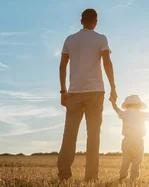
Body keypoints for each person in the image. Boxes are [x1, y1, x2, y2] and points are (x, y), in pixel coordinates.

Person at [57, 8, 117, 181]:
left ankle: (64, 174)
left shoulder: (70, 40)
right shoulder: (101, 39)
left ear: (81, 21)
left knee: (69, 135)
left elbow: (62, 66)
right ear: (96, 21)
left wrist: (63, 90)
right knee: (93, 135)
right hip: (95, 92)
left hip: (74, 92)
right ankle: (90, 177)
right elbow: (107, 62)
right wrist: (113, 87)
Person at [110, 95, 149, 182]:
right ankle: (133, 178)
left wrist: (113, 102)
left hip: (126, 140)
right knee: (136, 160)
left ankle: (122, 176)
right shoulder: (141, 114)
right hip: (138, 140)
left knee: (126, 158)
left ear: (127, 105)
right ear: (139, 105)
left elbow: (116, 109)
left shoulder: (125, 113)